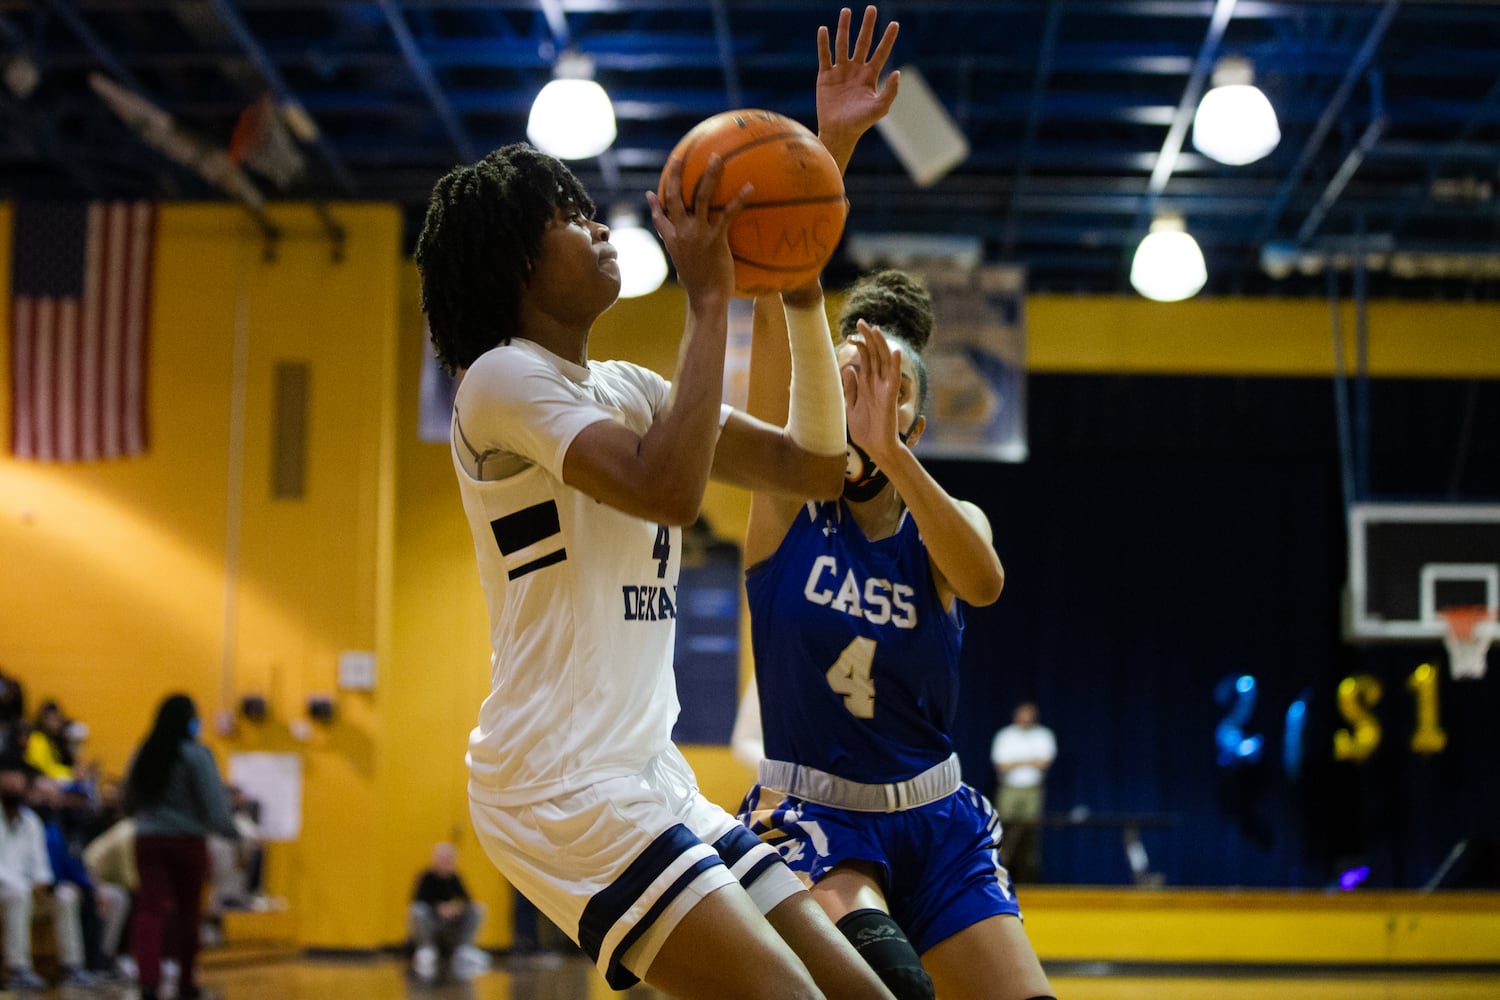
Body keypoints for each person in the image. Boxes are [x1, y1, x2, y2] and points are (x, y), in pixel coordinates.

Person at [413, 9, 903, 996]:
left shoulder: (632, 390)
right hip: (557, 784)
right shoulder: (498, 381)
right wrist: (712, 297)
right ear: (514, 263)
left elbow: (814, 465)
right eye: (569, 215)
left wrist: (805, 238)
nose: (599, 225)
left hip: (648, 773)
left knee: (864, 992)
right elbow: (668, 492)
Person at [735, 267, 1055, 1000]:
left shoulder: (948, 523)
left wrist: (891, 455)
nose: (863, 397)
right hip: (818, 817)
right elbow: (776, 323)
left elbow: (986, 584)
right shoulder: (786, 513)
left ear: (913, 419)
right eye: (846, 379)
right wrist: (824, 165)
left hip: (936, 818)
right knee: (891, 989)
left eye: (887, 386)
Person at [124, 694, 240, 1000]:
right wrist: (232, 833)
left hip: (147, 840)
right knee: (189, 914)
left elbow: (127, 797)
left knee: (149, 910)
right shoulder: (197, 755)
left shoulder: (143, 751)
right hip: (187, 842)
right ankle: (186, 982)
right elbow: (214, 805)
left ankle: (148, 980)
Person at [0, 758, 90, 990]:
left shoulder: (31, 821)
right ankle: (18, 968)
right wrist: (22, 884)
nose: (13, 786)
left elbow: (40, 863)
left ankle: (72, 966)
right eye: (8, 781)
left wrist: (43, 883)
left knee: (65, 895)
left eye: (18, 783)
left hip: (28, 888)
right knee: (18, 894)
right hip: (6, 888)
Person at [990, 702, 1056, 885]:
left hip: (1033, 790)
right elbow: (1001, 764)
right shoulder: (1006, 735)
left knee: (1029, 832)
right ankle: (999, 876)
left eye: (1029, 714)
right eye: (1022, 714)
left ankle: (1028, 879)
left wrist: (1016, 762)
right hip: (1009, 789)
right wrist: (1030, 761)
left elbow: (1044, 762)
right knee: (1004, 831)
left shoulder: (1043, 735)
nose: (1025, 718)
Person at [407, 842, 488, 983]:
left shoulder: (455, 878)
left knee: (477, 908)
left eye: (449, 859)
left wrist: (455, 908)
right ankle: (427, 949)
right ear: (435, 859)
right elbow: (417, 900)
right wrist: (438, 907)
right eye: (442, 858)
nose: (446, 862)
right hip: (432, 923)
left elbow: (467, 901)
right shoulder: (426, 877)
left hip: (451, 926)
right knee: (417, 910)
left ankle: (465, 949)